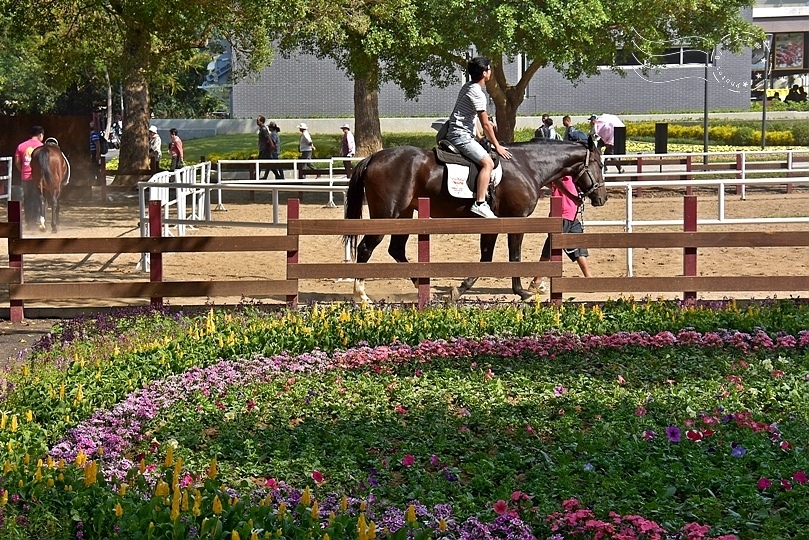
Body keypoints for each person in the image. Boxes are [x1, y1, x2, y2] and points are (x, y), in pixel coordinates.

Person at [444, 56, 512, 218]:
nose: (491, 71)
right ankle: (480, 203)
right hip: (461, 136)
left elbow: (467, 116)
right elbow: (486, 123)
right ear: (484, 73)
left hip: (460, 132)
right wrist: (497, 145)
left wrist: (479, 136)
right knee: (487, 163)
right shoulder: (477, 93)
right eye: (489, 69)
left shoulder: (468, 87)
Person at [529, 175, 591, 293]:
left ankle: (589, 279)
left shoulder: (572, 178)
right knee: (550, 249)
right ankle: (536, 282)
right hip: (561, 217)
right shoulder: (564, 176)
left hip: (572, 218)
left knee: (579, 249)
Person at [14, 126, 45, 229]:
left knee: (27, 199)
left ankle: (29, 222)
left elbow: (17, 162)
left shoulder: (21, 146)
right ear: (40, 135)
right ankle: (36, 220)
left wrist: (23, 170)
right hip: (38, 177)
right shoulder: (42, 147)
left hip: (25, 176)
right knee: (37, 198)